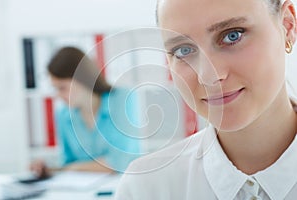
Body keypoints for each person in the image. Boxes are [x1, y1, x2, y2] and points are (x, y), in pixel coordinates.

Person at [115, 0, 297, 199]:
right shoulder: (145, 188)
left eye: (232, 36)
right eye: (183, 50)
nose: (208, 76)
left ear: (288, 25)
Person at [31, 46, 140, 178]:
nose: (58, 95)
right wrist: (48, 167)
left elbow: (119, 162)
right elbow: (66, 161)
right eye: (55, 89)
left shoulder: (123, 99)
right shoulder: (63, 115)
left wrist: (71, 168)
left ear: (83, 79)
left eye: (62, 88)